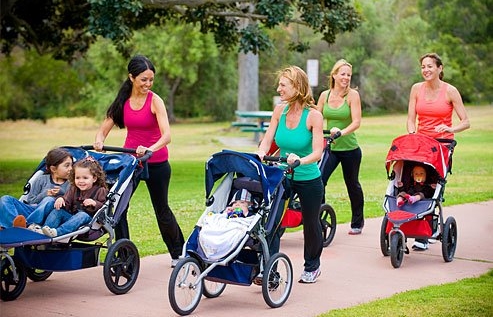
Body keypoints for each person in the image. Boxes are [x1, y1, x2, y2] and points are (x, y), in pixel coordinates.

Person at [93, 55, 185, 267]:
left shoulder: (155, 100)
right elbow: (103, 129)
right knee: (118, 208)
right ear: (131, 77)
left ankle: (178, 252)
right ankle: (124, 254)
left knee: (161, 210)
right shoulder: (122, 101)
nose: (148, 84)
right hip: (131, 164)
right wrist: (99, 141)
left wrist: (149, 150)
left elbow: (167, 136)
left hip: (157, 164)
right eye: (144, 79)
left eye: (151, 79)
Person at [257, 65, 324, 284]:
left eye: (283, 85)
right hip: (282, 175)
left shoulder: (314, 116)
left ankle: (312, 266)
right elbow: (268, 139)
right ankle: (270, 270)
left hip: (308, 177)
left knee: (311, 224)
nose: (279, 89)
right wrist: (260, 152)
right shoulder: (279, 111)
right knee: (273, 222)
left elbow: (317, 152)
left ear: (297, 87)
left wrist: (300, 161)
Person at [406, 52, 470, 251]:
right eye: (423, 66)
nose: (426, 70)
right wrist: (411, 133)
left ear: (439, 69)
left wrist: (451, 129)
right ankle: (413, 226)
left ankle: (425, 232)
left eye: (430, 66)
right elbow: (410, 118)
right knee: (413, 182)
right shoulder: (416, 89)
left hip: (442, 147)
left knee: (433, 187)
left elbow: (466, 121)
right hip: (420, 145)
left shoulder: (450, 91)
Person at [315, 59, 365, 235]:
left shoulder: (353, 96)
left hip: (350, 149)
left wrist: (341, 132)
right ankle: (319, 219)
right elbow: (316, 116)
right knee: (319, 181)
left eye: (349, 75)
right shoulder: (324, 96)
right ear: (334, 75)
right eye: (343, 74)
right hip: (331, 148)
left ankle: (357, 222)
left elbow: (357, 122)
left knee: (352, 184)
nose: (346, 78)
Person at [0, 147, 73, 229]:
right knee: (5, 199)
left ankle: (27, 225)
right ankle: (16, 225)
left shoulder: (71, 184)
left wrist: (61, 193)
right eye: (67, 166)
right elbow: (31, 200)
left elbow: (70, 203)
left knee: (49, 200)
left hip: (48, 216)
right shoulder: (41, 179)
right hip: (32, 210)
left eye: (71, 165)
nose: (71, 168)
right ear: (53, 169)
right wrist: (45, 194)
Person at [36, 156, 108, 237]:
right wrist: (61, 199)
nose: (81, 181)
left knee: (82, 215)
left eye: (85, 178)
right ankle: (44, 232)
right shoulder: (74, 189)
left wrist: (95, 203)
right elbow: (67, 201)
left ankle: (58, 232)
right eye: (77, 178)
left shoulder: (100, 190)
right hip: (71, 219)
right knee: (57, 211)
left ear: (94, 178)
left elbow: (105, 207)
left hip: (88, 222)